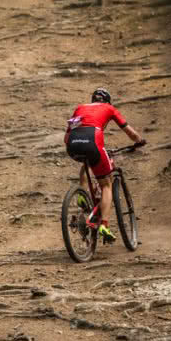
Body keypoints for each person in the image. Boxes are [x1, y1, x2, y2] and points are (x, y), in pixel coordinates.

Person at [63, 88, 145, 243]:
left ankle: (82, 193)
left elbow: (66, 137)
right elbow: (131, 133)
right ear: (107, 101)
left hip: (72, 145)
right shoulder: (109, 108)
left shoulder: (80, 107)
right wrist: (139, 141)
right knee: (106, 184)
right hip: (93, 142)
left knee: (86, 162)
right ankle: (104, 225)